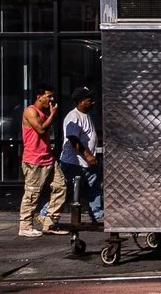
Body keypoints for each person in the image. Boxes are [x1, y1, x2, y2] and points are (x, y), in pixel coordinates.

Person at [18, 86, 61, 237]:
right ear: (39, 96)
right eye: (48, 96)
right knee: (32, 193)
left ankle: (49, 221)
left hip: (47, 157)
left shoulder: (43, 113)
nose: (51, 100)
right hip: (34, 159)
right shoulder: (31, 111)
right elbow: (41, 129)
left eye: (52, 96)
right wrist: (53, 115)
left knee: (60, 187)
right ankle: (25, 226)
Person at [59, 87, 102, 223]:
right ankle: (47, 214)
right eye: (89, 100)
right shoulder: (74, 116)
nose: (93, 103)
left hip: (87, 163)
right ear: (81, 101)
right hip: (75, 163)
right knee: (68, 192)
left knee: (93, 189)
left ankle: (97, 214)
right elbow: (73, 139)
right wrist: (88, 155)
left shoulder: (86, 115)